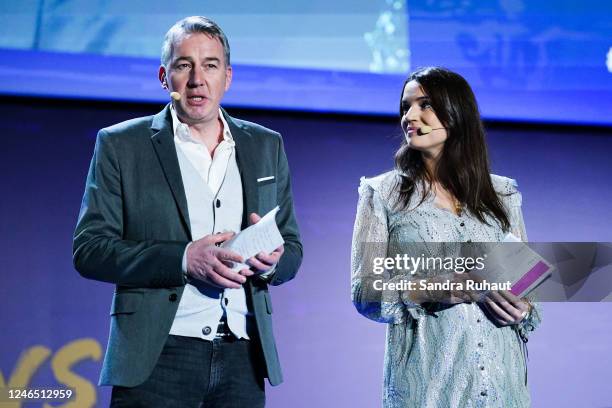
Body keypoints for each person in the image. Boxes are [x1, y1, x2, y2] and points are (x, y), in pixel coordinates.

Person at [73, 16, 302, 407]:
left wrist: (271, 262)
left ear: (227, 77)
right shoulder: (121, 145)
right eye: (183, 65)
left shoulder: (266, 144)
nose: (197, 79)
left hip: (243, 360)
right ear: (165, 77)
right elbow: (89, 250)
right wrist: (183, 258)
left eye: (210, 65)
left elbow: (292, 249)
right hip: (157, 359)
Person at [351, 67, 541, 408]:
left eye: (424, 105)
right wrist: (434, 287)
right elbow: (365, 293)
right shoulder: (383, 194)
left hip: (503, 389)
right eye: (405, 107)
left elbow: (530, 287)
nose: (410, 116)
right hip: (431, 390)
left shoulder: (504, 194)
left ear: (456, 113)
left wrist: (523, 307)